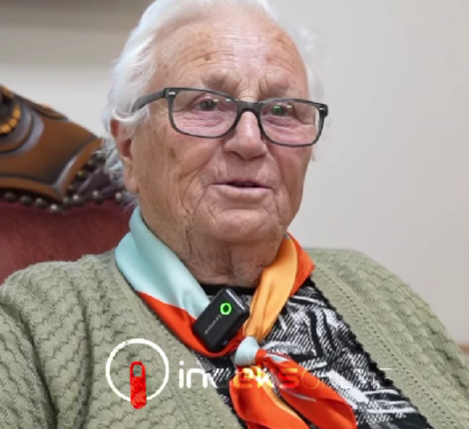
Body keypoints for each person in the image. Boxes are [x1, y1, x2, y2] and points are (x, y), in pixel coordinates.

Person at [1, 0, 468, 428]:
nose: (250, 141)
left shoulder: (374, 287)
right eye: (207, 104)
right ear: (128, 147)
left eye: (282, 109)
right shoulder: (39, 321)